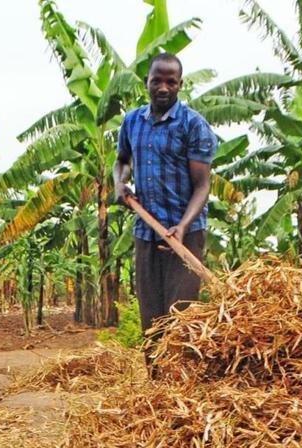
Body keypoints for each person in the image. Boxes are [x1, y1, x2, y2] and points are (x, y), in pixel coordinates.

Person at [112, 51, 218, 360]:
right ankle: (155, 390)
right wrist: (120, 183)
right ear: (146, 82)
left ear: (180, 84)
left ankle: (178, 389)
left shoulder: (193, 126)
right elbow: (121, 162)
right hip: (147, 232)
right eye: (156, 80)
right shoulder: (132, 122)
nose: (163, 88)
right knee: (152, 319)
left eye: (170, 82)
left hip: (185, 234)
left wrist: (182, 226)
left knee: (181, 316)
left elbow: (202, 185)